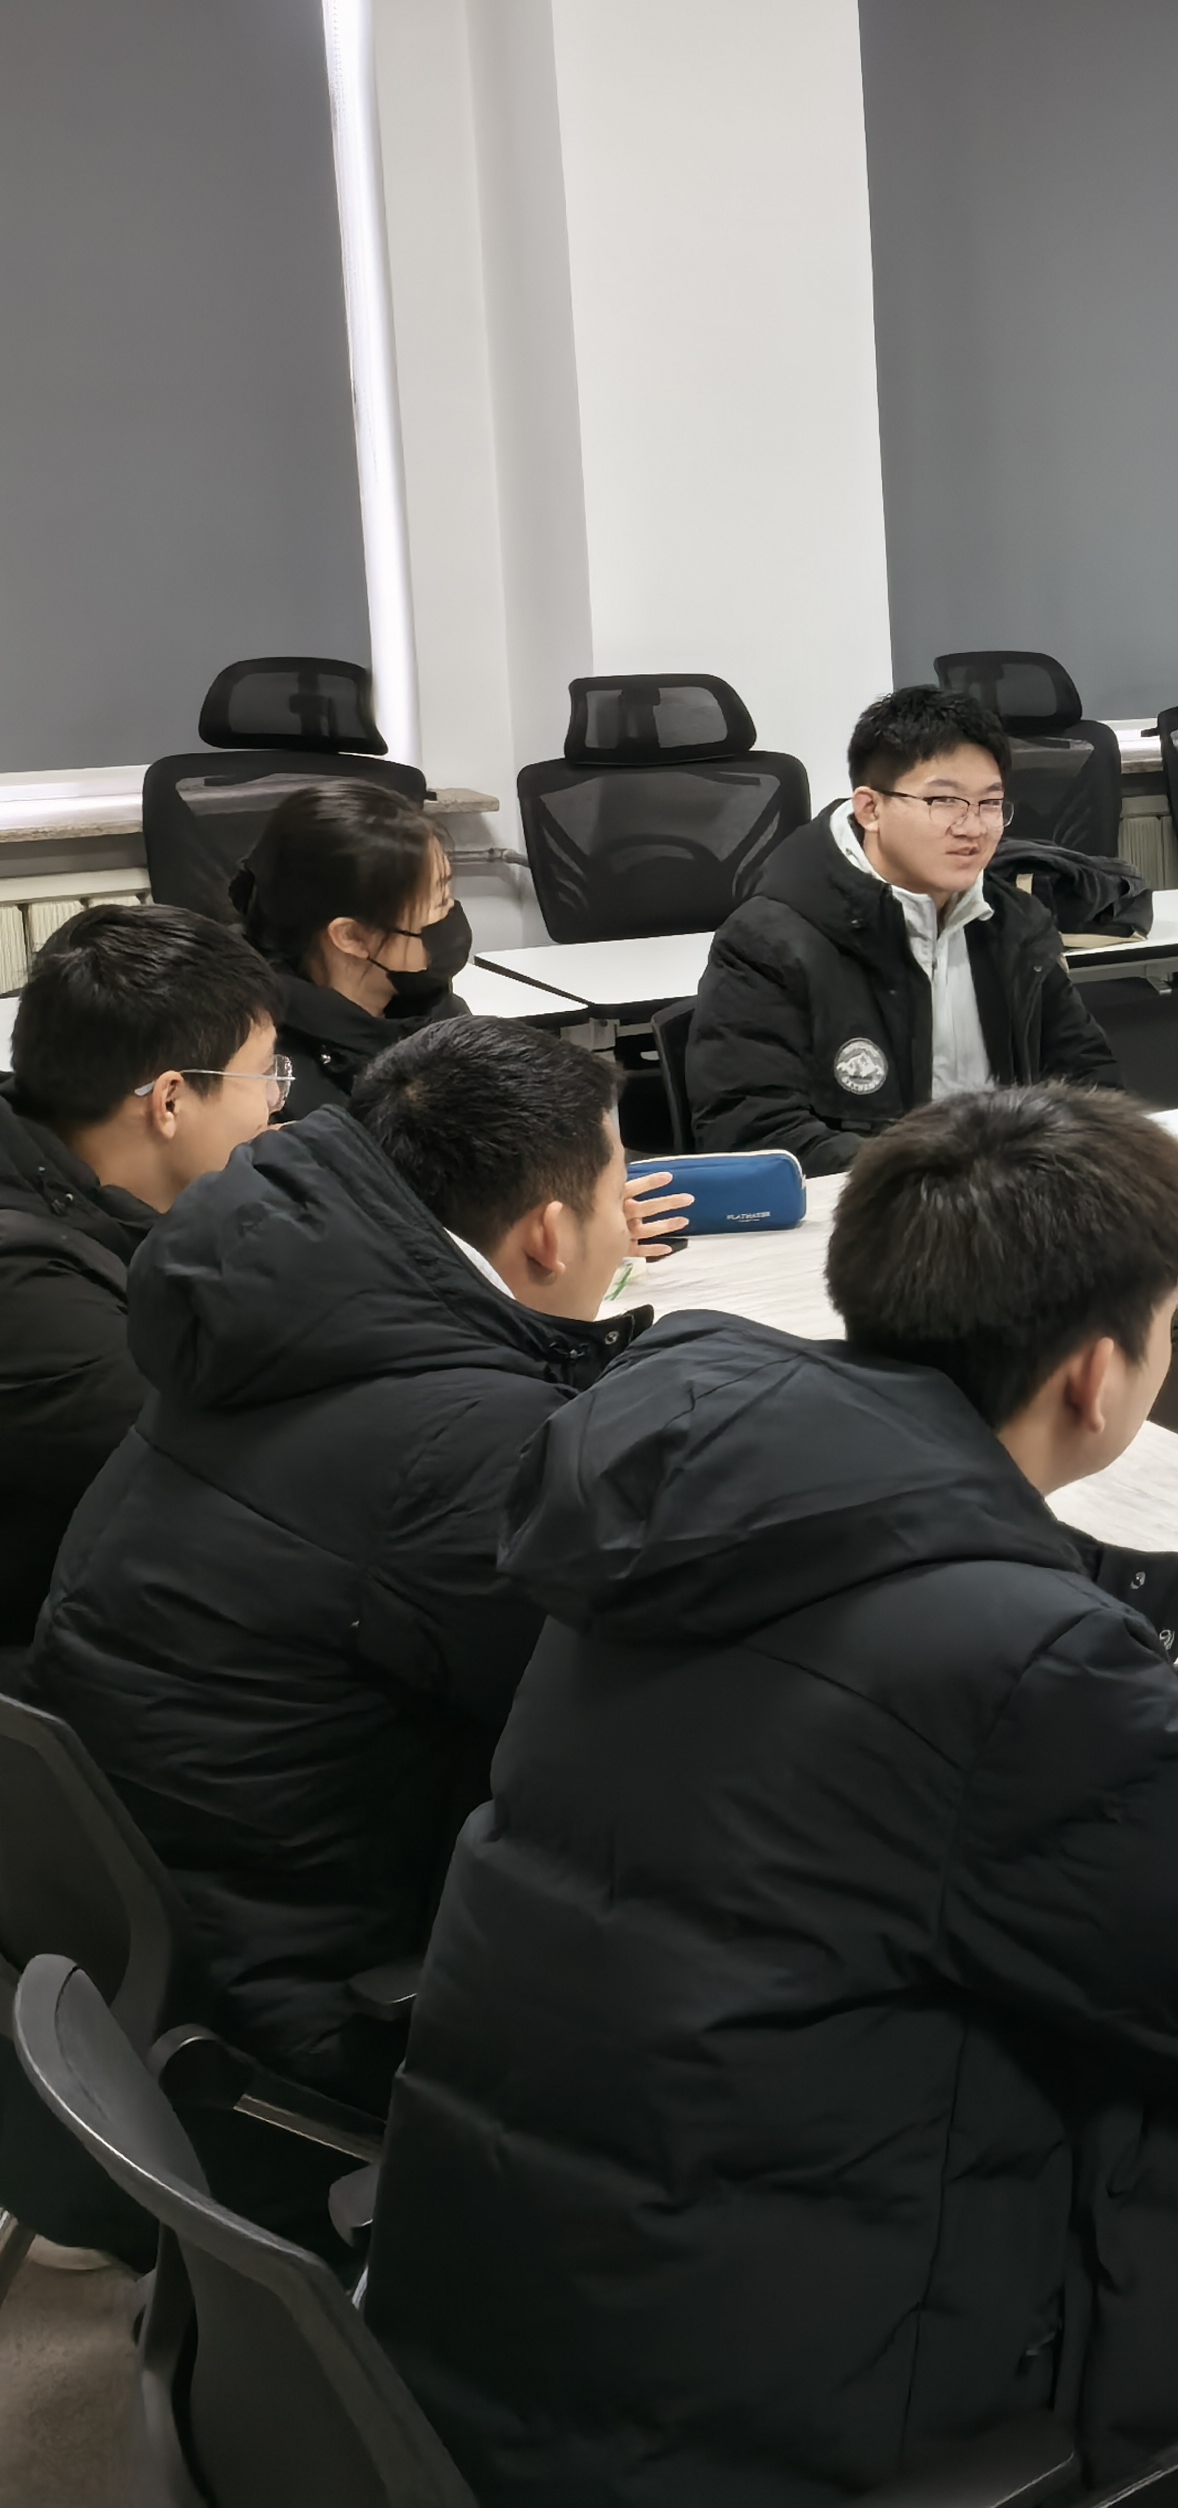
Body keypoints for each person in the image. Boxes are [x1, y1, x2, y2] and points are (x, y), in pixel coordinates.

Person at [367, 1086, 1178, 2508]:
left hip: (529, 2332)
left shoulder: (683, 1501)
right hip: (781, 2433)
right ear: (1096, 1374)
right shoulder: (1023, 1660)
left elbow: (854, 1727)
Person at [25, 1018, 665, 2102]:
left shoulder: (263, 1323)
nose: (624, 1231)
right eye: (618, 1198)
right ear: (549, 1236)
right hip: (329, 2008)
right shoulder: (463, 1444)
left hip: (169, 1958)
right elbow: (643, 1724)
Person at [0, 904, 284, 1655]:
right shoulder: (28, 1294)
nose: (273, 1105)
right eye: (264, 1076)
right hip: (54, 1660)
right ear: (170, 1101)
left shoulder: (72, 1177)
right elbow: (234, 1467)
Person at [692, 683, 1120, 1172]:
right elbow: (753, 1133)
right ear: (870, 809)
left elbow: (1091, 1085)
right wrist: (937, 1178)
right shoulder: (768, 943)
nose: (973, 827)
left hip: (1010, 1196)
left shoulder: (1017, 925)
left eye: (990, 803)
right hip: (869, 1207)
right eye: (944, 801)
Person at [229, 777, 471, 1117]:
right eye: (439, 901)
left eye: (448, 894)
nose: (451, 914)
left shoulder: (437, 1010)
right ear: (352, 937)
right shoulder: (274, 1084)